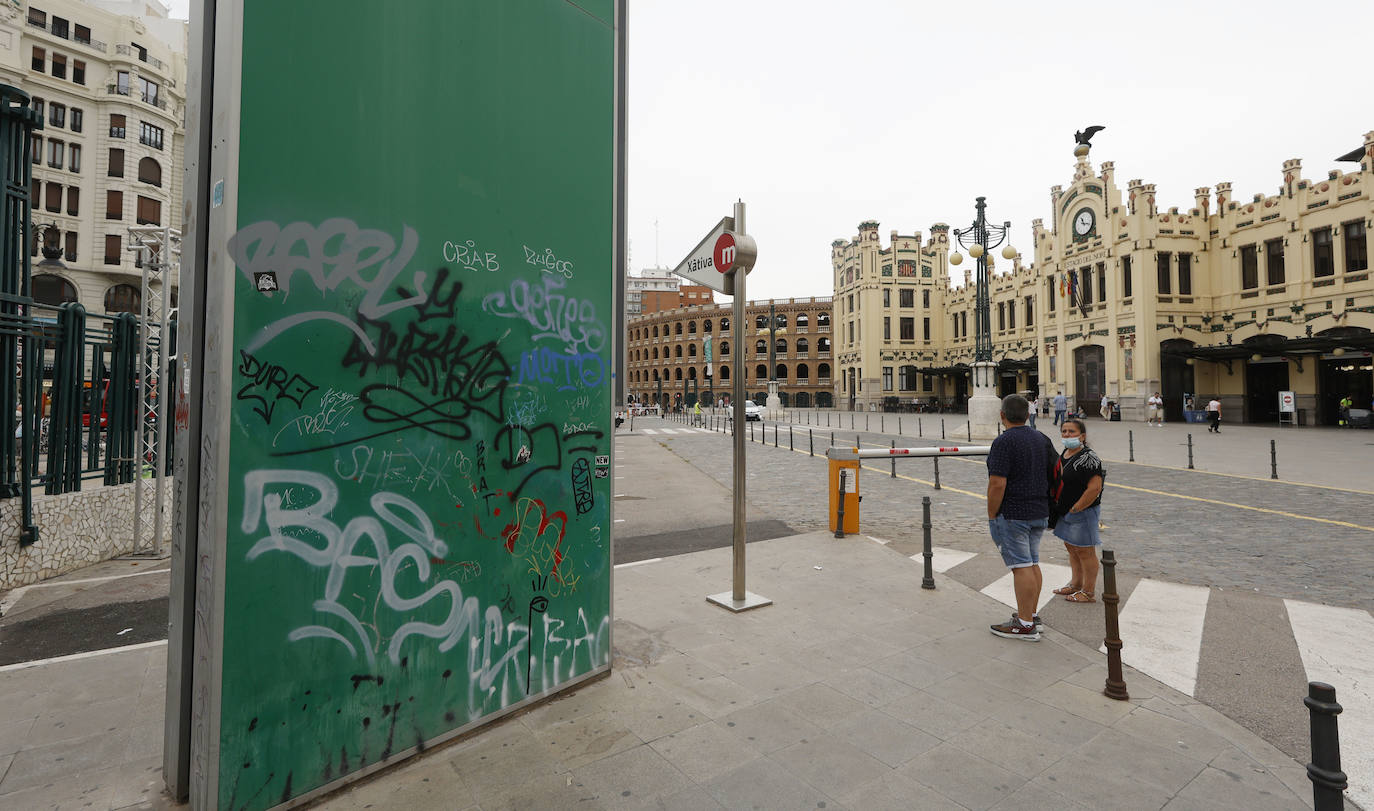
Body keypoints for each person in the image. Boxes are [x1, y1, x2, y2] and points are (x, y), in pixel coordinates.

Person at [986, 394, 1057, 642]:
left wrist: (992, 512)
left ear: (1002, 415)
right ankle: (1031, 614)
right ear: (1028, 415)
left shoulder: (1004, 442)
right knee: (1032, 562)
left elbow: (997, 483)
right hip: (1039, 510)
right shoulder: (1041, 438)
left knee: (1021, 566)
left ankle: (1024, 625)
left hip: (1014, 512)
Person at [1049, 418, 1106, 604]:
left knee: (1085, 551)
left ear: (1082, 436)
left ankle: (1088, 592)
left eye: (1071, 432)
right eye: (1064, 431)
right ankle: (1075, 584)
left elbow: (1094, 488)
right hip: (1066, 511)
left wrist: (1077, 507)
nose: (1067, 435)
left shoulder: (1089, 458)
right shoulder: (1066, 452)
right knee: (1072, 548)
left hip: (1083, 511)